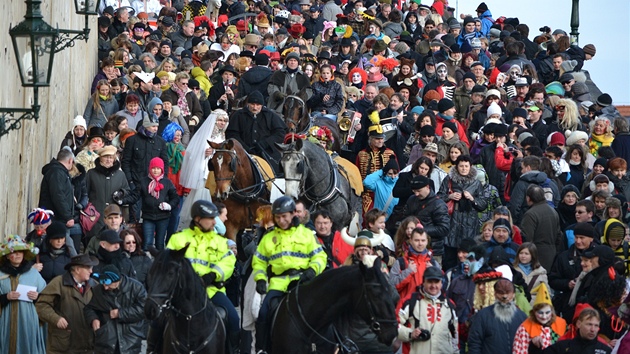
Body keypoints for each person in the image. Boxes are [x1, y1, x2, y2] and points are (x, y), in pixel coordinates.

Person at [252, 196, 327, 353]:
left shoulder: (306, 234)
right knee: (264, 312)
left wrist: (312, 270)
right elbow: (259, 262)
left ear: (293, 214)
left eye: (284, 216)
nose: (281, 220)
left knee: (322, 312)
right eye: (277, 217)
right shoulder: (268, 238)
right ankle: (261, 349)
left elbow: (319, 257)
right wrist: (260, 279)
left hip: (303, 283)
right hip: (278, 284)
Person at [164, 200, 240, 352]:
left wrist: (213, 275)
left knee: (233, 319)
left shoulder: (220, 241)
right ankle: (152, 349)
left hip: (212, 291)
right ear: (198, 219)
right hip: (183, 294)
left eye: (215, 218)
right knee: (159, 320)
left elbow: (229, 261)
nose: (214, 222)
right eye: (210, 218)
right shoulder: (178, 239)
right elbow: (168, 265)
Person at [35, 254, 99, 354]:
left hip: (88, 345)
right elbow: (41, 305)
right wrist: (55, 318)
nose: (91, 271)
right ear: (77, 269)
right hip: (63, 345)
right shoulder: (58, 283)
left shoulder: (95, 285)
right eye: (88, 268)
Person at [437, 155, 487, 270]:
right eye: (461, 166)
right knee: (449, 258)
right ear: (456, 167)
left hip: (469, 224)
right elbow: (438, 197)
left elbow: (483, 204)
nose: (464, 168)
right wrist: (450, 196)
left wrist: (472, 199)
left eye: (466, 166)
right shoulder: (448, 180)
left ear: (470, 167)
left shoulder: (476, 183)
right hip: (451, 223)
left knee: (466, 258)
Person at [84, 264, 147, 354]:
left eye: (108, 284)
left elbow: (144, 309)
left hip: (130, 341)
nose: (105, 287)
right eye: (103, 283)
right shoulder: (99, 290)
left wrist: (120, 313)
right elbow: (89, 308)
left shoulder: (136, 287)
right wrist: (93, 319)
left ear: (117, 280)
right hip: (106, 340)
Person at [0, 235, 47, 354]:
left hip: (28, 319)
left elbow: (46, 298)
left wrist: (37, 297)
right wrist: (5, 297)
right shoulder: (0, 274)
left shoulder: (33, 274)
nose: (17, 255)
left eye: (20, 252)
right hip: (5, 320)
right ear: (7, 255)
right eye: (13, 252)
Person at [397, 266, 459, 354]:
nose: (433, 286)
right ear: (423, 282)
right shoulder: (410, 301)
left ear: (441, 283)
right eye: (430, 282)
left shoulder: (450, 305)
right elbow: (394, 326)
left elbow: (455, 335)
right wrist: (410, 334)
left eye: (437, 282)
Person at [225, 90, 287, 173]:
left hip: (267, 154)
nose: (255, 107)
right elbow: (232, 134)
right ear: (248, 104)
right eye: (252, 104)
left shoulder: (270, 115)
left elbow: (280, 133)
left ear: (262, 105)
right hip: (242, 153)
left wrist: (265, 143)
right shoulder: (239, 115)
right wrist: (244, 148)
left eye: (258, 105)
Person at [467, 278, 528, 354]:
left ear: (513, 294)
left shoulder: (522, 316)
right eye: (501, 293)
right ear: (495, 294)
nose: (504, 296)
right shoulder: (482, 315)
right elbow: (474, 342)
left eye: (508, 292)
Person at [548, 222, 595, 320]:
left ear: (591, 238)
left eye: (582, 238)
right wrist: (567, 284)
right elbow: (552, 279)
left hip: (592, 306)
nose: (578, 241)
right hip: (568, 306)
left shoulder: (598, 257)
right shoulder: (563, 257)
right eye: (576, 237)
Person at [134, 157, 178, 250]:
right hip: (148, 216)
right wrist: (123, 200)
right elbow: (135, 196)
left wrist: (169, 206)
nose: (156, 171)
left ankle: (159, 262)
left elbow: (175, 198)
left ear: (161, 170)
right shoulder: (144, 181)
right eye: (153, 168)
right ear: (150, 169)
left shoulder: (167, 182)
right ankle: (146, 262)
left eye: (158, 168)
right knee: (147, 243)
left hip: (163, 217)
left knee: (159, 243)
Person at [404, 175, 450, 265]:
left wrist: (420, 230)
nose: (416, 194)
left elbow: (444, 228)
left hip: (433, 251)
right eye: (414, 191)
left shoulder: (439, 204)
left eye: (419, 191)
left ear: (427, 187)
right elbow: (405, 217)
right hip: (412, 250)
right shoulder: (411, 199)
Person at [512, 283, 567, 353]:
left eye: (547, 312)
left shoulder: (561, 324)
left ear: (552, 311)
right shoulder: (525, 328)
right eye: (540, 313)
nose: (544, 317)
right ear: (534, 312)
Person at [520, 185, 563, 271]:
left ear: (528, 198)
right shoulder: (553, 211)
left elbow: (527, 238)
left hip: (536, 256)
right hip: (552, 253)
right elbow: (559, 235)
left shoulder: (530, 214)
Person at [39, 147, 77, 230]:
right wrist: (67, 216)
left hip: (57, 218)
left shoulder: (59, 172)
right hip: (55, 219)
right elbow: (58, 195)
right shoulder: (57, 172)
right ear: (70, 160)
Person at [542, 308, 611, 354]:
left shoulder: (606, 351)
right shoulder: (562, 346)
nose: (593, 329)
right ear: (578, 324)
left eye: (596, 326)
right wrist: (535, 346)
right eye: (589, 324)